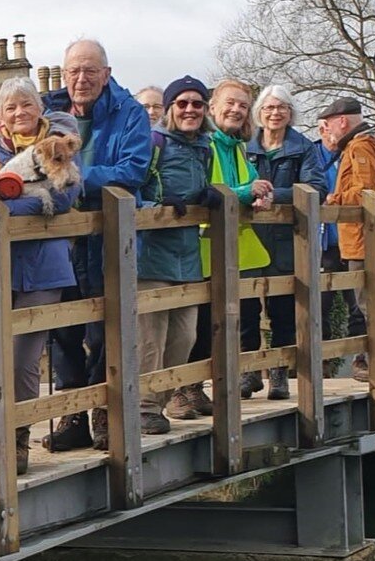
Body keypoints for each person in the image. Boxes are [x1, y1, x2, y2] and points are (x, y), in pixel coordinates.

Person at [42, 38, 152, 450]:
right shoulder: (48, 112)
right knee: (63, 329)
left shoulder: (130, 114)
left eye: (90, 70)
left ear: (106, 74)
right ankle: (72, 416)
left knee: (107, 329)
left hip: (110, 237)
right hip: (60, 238)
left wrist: (72, 175)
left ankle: (105, 412)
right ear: (64, 73)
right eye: (74, 71)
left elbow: (133, 170)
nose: (81, 79)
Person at [0, 78, 80, 472]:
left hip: (45, 271)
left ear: (39, 109)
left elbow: (68, 196)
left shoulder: (60, 145)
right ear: (0, 117)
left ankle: (18, 439)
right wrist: (30, 204)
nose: (19, 113)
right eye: (10, 108)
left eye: (26, 105)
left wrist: (14, 204)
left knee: (23, 358)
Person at [137, 76, 212, 428]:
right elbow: (128, 191)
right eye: (182, 103)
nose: (190, 110)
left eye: (197, 104)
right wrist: (156, 206)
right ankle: (144, 409)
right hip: (151, 253)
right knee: (151, 338)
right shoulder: (153, 141)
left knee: (185, 337)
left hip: (188, 255)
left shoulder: (204, 148)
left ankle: (162, 401)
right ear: (169, 109)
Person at [191, 79, 272, 401]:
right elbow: (207, 190)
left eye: (242, 105)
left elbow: (250, 184)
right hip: (206, 244)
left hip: (241, 245)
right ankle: (195, 386)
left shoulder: (237, 146)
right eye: (230, 103)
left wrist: (261, 196)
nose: (236, 110)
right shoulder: (204, 144)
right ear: (213, 107)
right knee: (205, 322)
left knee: (249, 313)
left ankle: (246, 373)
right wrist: (244, 193)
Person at [320, 97, 375, 382]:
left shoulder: (360, 147)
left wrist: (332, 199)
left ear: (342, 121)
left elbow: (365, 192)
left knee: (370, 301)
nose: (326, 131)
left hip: (364, 239)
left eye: (327, 125)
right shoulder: (368, 143)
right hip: (367, 238)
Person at [245, 86, 327, 399]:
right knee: (245, 309)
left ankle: (279, 375)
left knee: (282, 311)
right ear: (259, 114)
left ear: (290, 113)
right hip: (250, 237)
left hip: (285, 241)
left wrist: (273, 196)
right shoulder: (245, 147)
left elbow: (315, 188)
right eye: (268, 108)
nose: (275, 113)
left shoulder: (303, 148)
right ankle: (248, 371)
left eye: (281, 108)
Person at [316, 117, 365, 365]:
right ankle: (321, 362)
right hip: (323, 242)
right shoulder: (313, 155)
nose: (332, 135)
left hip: (351, 238)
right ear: (321, 130)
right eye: (327, 129)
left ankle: (362, 358)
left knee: (357, 302)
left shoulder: (354, 153)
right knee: (320, 304)